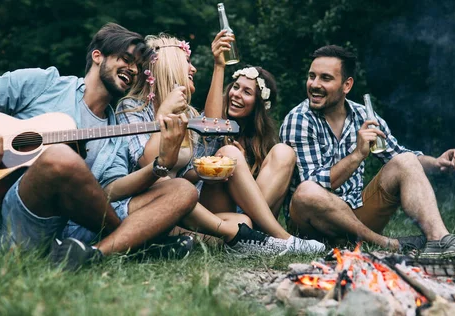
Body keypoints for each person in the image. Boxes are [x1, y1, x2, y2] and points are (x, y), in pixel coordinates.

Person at [0, 23, 198, 270]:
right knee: (60, 155)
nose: (133, 70)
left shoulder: (116, 129)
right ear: (98, 56)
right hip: (19, 223)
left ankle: (95, 253)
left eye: (139, 67)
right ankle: (138, 244)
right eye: (126, 59)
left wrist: (159, 164)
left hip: (78, 229)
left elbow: (110, 191)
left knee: (182, 190)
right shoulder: (44, 83)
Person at [116, 34, 325, 256]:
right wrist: (164, 115)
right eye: (187, 62)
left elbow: (195, 159)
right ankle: (282, 241)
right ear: (171, 68)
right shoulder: (132, 109)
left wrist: (205, 172)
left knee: (242, 220)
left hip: (190, 202)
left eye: (247, 92)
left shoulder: (188, 113)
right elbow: (153, 165)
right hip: (156, 204)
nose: (194, 68)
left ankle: (233, 239)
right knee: (229, 164)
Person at [280, 45, 455, 260]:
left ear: (346, 85)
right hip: (313, 226)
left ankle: (438, 240)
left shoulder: (363, 115)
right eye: (312, 76)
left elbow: (400, 154)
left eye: (325, 78)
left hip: (357, 217)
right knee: (306, 192)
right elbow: (315, 186)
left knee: (404, 161)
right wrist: (357, 155)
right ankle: (389, 244)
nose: (314, 84)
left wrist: (437, 163)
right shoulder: (299, 119)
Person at [204, 30, 297, 219]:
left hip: (248, 212)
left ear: (258, 105)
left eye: (247, 92)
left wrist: (244, 168)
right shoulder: (213, 116)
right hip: (215, 207)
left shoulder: (261, 140)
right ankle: (252, 233)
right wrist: (218, 65)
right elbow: (211, 127)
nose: (236, 94)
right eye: (236, 87)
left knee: (284, 151)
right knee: (229, 157)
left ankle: (253, 233)